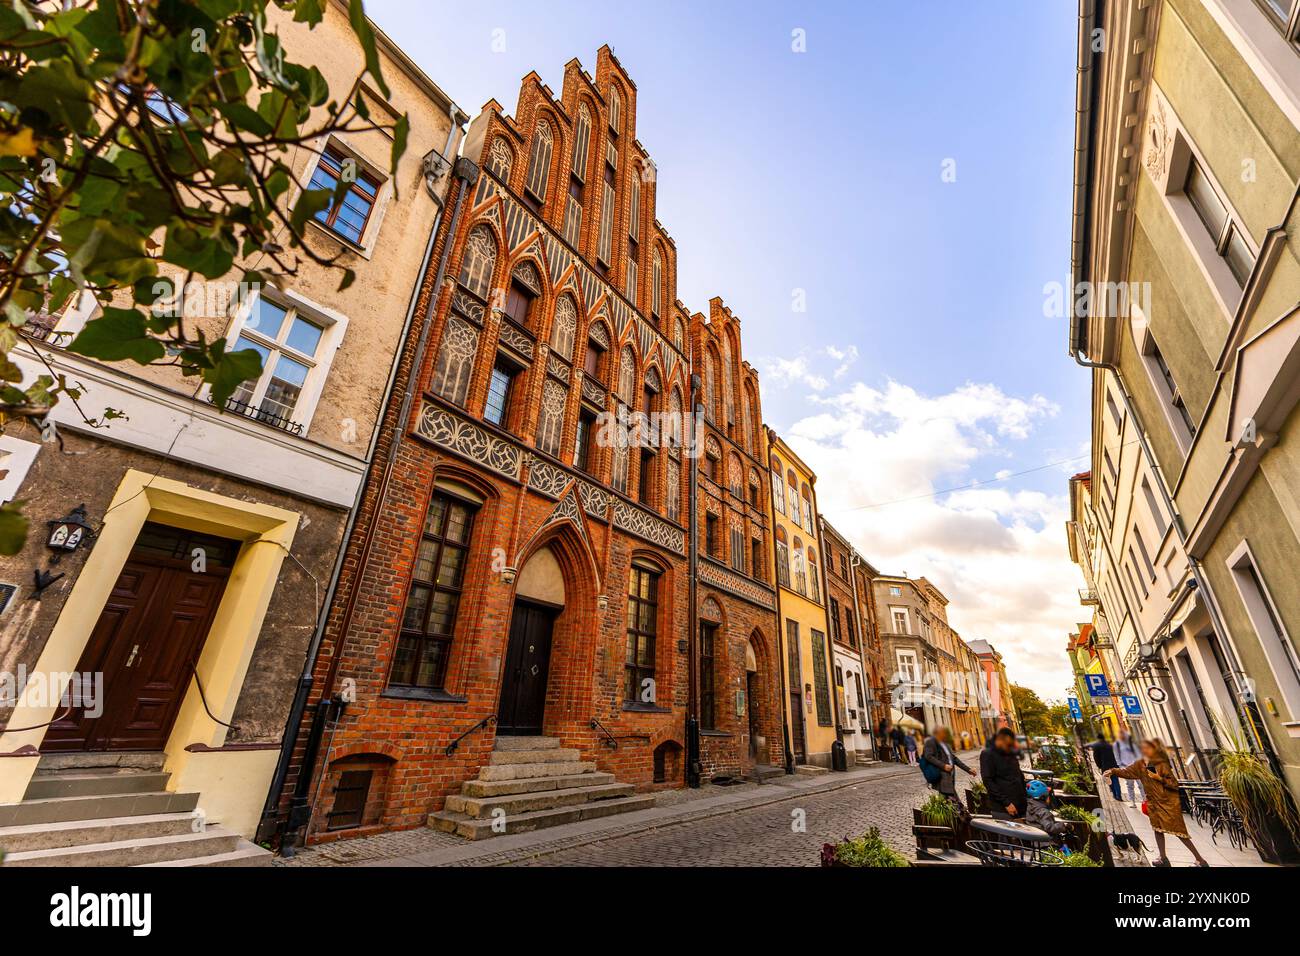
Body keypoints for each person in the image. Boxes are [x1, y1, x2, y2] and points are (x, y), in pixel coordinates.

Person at [1106, 738, 1208, 867]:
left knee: (1180, 832)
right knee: (1157, 830)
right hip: (1153, 803)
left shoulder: (1161, 764)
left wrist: (1158, 778)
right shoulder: (1140, 764)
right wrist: (1113, 771)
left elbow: (1174, 784)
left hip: (1168, 803)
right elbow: (1127, 772)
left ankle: (1200, 860)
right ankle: (1163, 858)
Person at [921, 725, 977, 802]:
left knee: (947, 800)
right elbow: (928, 756)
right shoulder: (930, 742)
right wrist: (943, 766)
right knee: (952, 798)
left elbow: (954, 758)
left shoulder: (945, 744)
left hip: (950, 775)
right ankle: (961, 812)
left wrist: (968, 769)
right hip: (941, 775)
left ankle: (954, 811)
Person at [980, 727, 1027, 818]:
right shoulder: (988, 754)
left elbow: (1018, 774)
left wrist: (1025, 795)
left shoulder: (1010, 752)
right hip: (1003, 809)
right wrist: (1006, 803)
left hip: (1020, 805)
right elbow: (988, 781)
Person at [1113, 729, 1143, 807]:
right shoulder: (1116, 744)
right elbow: (1117, 757)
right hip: (1126, 767)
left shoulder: (1131, 743)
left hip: (1136, 767)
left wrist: (1139, 764)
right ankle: (1132, 802)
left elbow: (1138, 754)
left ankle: (1145, 801)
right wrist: (1121, 767)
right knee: (1130, 785)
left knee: (1141, 784)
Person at [1088, 732, 1121, 799]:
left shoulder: (1096, 746)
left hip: (1104, 766)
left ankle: (1114, 794)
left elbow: (1096, 757)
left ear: (1098, 738)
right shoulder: (1109, 745)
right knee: (1115, 780)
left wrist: (1099, 766)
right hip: (1113, 765)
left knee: (1108, 780)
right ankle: (1118, 795)